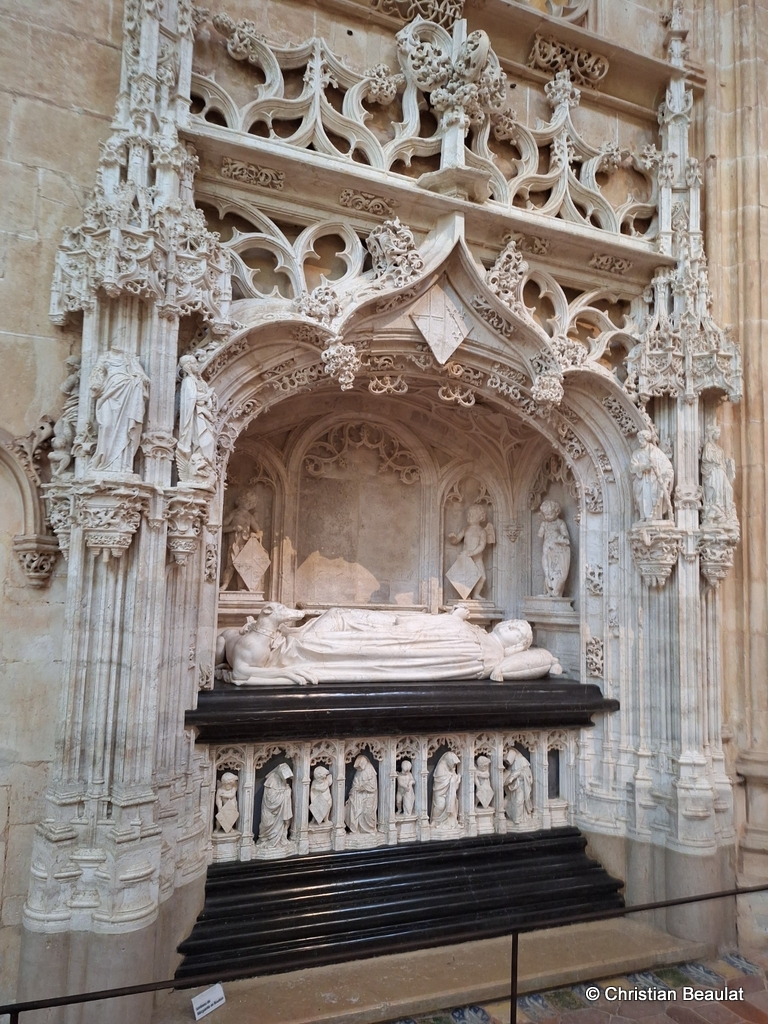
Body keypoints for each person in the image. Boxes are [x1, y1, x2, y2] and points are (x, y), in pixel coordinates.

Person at [89, 349, 149, 474]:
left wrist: (139, 379)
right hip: (108, 392)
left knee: (125, 427)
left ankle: (120, 464)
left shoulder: (128, 357)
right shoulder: (104, 356)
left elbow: (143, 377)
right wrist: (96, 386)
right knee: (106, 425)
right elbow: (97, 375)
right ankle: (103, 460)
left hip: (127, 390)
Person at [177, 354, 218, 482]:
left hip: (204, 415)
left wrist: (209, 398)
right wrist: (206, 396)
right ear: (188, 366)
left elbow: (202, 398)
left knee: (209, 441)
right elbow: (191, 399)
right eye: (194, 363)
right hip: (196, 416)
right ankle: (198, 464)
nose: (197, 365)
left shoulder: (199, 381)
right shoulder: (188, 381)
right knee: (205, 442)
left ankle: (205, 466)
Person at [448, 504, 496, 599]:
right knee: (465, 578)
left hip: (477, 558)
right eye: (468, 514)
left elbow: (482, 545)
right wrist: (453, 539)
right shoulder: (465, 529)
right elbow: (457, 540)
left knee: (482, 577)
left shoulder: (482, 531)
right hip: (466, 557)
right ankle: (466, 595)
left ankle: (476, 594)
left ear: (480, 517)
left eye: (472, 515)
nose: (469, 517)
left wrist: (473, 553)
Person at [220, 491, 263, 591]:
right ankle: (225, 585)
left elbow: (259, 531)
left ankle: (241, 587)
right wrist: (233, 528)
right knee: (230, 565)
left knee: (243, 566)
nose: (248, 505)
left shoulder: (249, 516)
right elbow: (222, 528)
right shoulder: (234, 514)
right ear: (240, 501)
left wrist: (256, 535)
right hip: (234, 544)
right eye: (247, 502)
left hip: (245, 545)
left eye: (250, 503)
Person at [630, 429, 674, 521]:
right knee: (641, 499)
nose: (640, 441)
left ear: (647, 439)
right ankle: (643, 516)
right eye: (639, 439)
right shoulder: (636, 453)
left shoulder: (656, 452)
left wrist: (664, 476)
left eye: (642, 439)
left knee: (654, 498)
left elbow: (667, 466)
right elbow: (633, 468)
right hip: (642, 479)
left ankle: (655, 517)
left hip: (654, 481)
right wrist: (644, 466)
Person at [701, 425, 736, 524]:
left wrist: (728, 462)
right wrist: (716, 461)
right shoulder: (708, 446)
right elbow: (706, 458)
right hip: (713, 472)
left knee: (728, 488)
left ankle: (725, 511)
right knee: (716, 491)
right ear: (712, 434)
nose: (719, 435)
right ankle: (715, 510)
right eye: (717, 433)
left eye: (719, 433)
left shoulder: (719, 448)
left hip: (721, 471)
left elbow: (721, 461)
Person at [538, 500, 570, 598]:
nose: (547, 516)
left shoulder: (560, 523)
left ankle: (556, 590)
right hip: (547, 547)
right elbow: (540, 535)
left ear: (556, 512)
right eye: (545, 514)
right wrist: (542, 528)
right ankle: (548, 585)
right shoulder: (544, 524)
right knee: (546, 565)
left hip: (557, 549)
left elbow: (566, 535)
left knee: (556, 569)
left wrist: (562, 537)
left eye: (550, 514)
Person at [257, 763, 293, 848]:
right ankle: (266, 840)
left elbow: (285, 790)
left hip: (280, 812)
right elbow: (271, 800)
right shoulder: (272, 780)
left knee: (284, 824)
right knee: (266, 824)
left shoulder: (282, 780)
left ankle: (282, 839)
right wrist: (285, 793)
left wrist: (287, 791)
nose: (285, 779)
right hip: (270, 812)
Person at [345, 755, 378, 833]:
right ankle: (357, 829)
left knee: (367, 812)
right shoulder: (358, 771)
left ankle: (370, 829)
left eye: (360, 766)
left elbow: (373, 786)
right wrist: (355, 790)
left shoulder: (370, 770)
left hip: (369, 795)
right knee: (353, 808)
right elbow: (355, 783)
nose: (359, 768)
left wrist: (362, 788)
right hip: (359, 795)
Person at [431, 751, 461, 828]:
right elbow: (441, 780)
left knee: (453, 804)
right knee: (440, 805)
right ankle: (435, 821)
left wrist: (455, 778)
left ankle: (450, 822)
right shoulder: (440, 767)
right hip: (440, 792)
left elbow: (453, 777)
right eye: (453, 763)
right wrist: (454, 778)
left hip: (449, 792)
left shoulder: (451, 768)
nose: (454, 766)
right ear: (449, 760)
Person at [504, 749, 533, 824]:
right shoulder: (513, 762)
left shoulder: (522, 760)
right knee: (512, 801)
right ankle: (514, 816)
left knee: (519, 801)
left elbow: (527, 775)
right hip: (514, 786)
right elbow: (509, 772)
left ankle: (518, 818)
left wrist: (514, 776)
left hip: (522, 785)